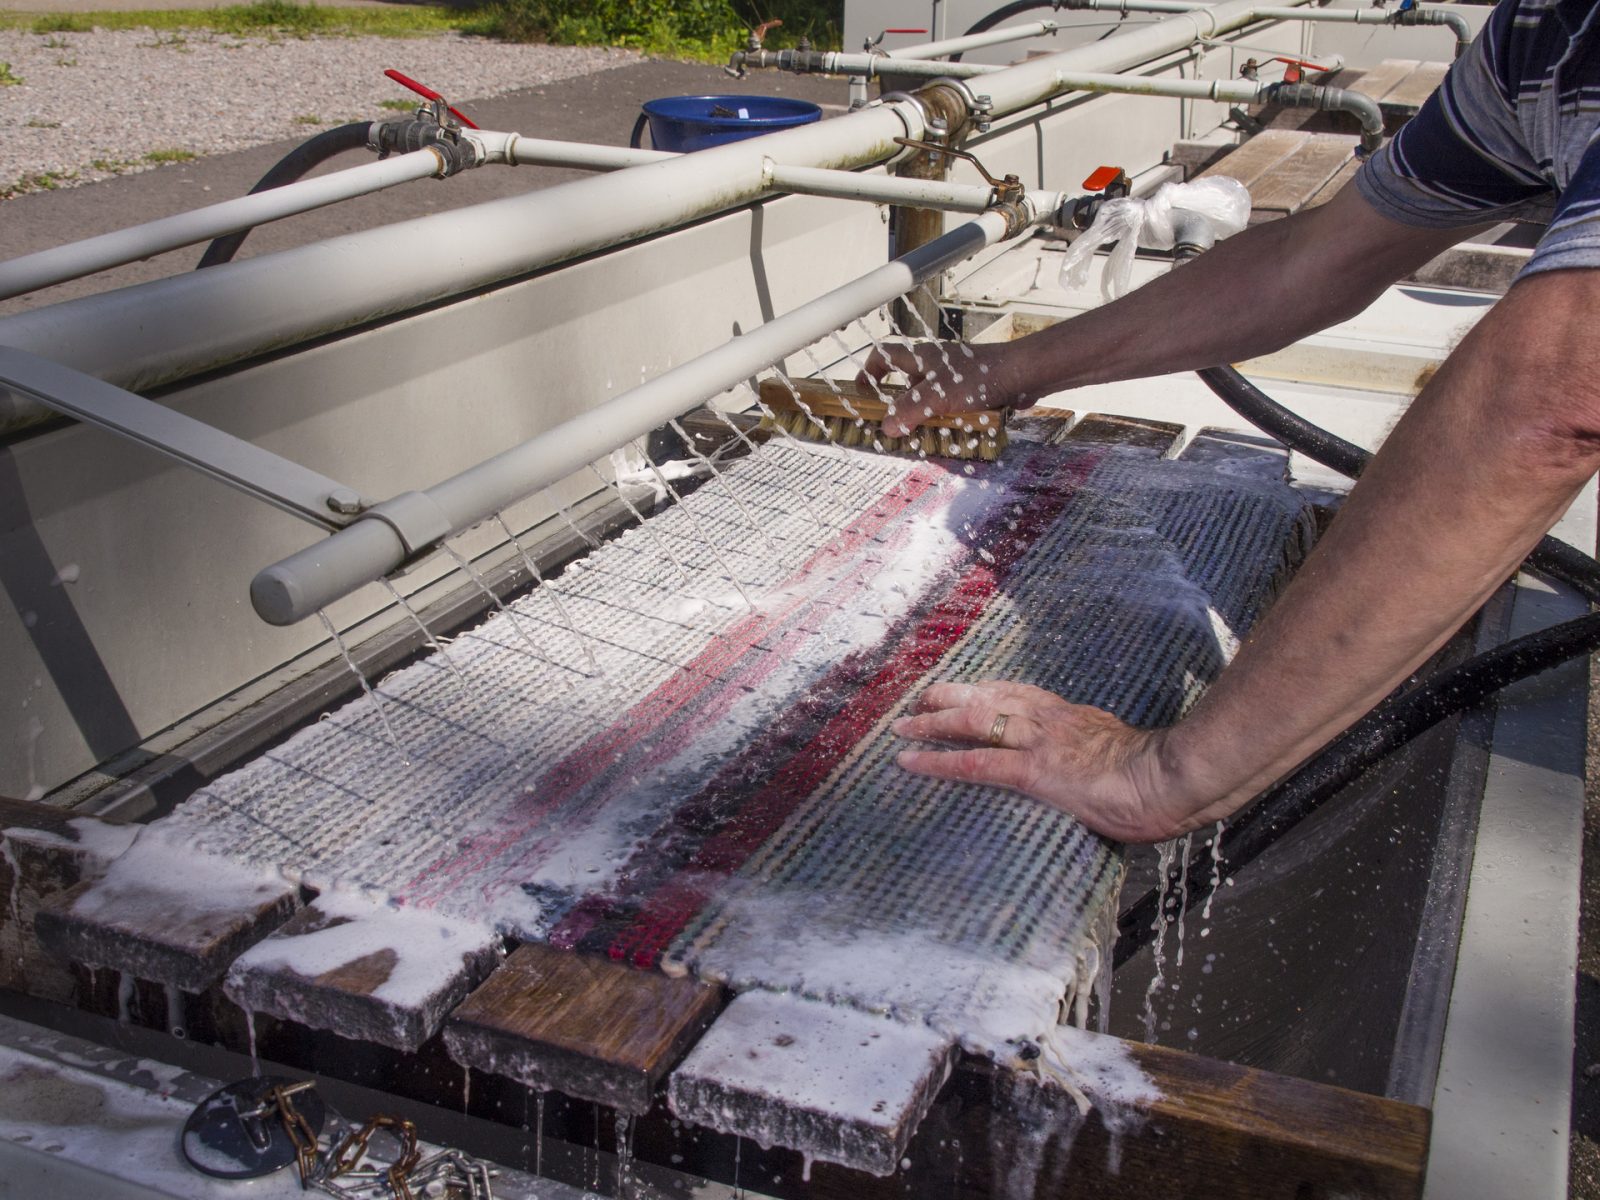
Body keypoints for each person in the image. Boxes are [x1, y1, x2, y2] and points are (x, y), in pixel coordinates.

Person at [865, 0, 1600, 845]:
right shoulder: (1544, 37)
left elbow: (1552, 403)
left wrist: (1162, 776)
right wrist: (1004, 370)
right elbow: (1308, 259)